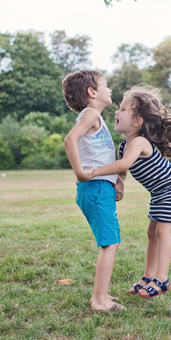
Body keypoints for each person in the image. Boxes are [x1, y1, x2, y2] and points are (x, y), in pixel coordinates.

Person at [80, 85, 171, 299]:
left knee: (162, 232)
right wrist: (120, 182)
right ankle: (148, 276)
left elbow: (125, 163)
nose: (116, 111)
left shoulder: (140, 142)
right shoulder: (124, 145)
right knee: (151, 232)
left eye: (123, 109)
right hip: (159, 193)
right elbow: (123, 168)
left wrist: (92, 172)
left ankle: (162, 278)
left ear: (138, 121)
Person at [62, 69, 125, 312]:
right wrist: (79, 171)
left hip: (101, 186)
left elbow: (104, 154)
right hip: (94, 187)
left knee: (113, 241)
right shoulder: (90, 113)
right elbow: (70, 140)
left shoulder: (95, 116)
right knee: (110, 243)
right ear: (92, 92)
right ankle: (99, 300)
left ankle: (101, 294)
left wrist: (118, 180)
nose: (110, 90)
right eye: (106, 85)